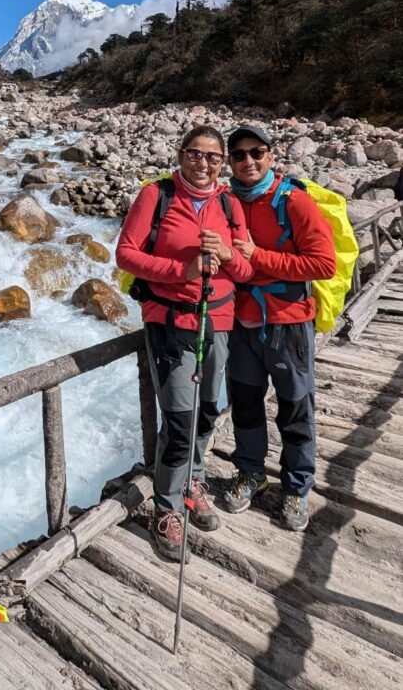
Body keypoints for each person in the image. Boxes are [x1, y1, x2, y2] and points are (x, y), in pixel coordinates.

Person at [116, 126, 254, 562]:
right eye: (196, 154)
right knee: (179, 418)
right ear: (180, 154)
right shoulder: (155, 196)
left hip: (218, 320)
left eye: (214, 157)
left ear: (222, 162)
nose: (204, 163)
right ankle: (167, 507)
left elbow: (247, 272)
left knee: (209, 409)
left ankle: (192, 479)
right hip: (171, 323)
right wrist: (185, 271)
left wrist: (231, 257)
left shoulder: (230, 203)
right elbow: (125, 254)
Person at [224, 125, 336, 531]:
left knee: (295, 407)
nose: (248, 161)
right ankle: (251, 471)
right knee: (248, 404)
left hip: (288, 322)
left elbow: (324, 265)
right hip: (240, 323)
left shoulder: (295, 202)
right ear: (230, 162)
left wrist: (260, 257)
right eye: (239, 154)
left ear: (271, 155)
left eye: (256, 152)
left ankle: (296, 486)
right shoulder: (224, 202)